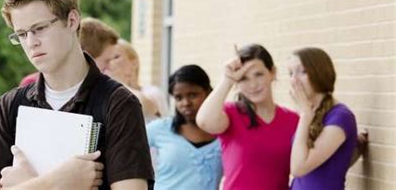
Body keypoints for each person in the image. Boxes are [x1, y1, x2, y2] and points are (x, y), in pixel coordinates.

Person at [0, 0, 153, 189]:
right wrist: (57, 182)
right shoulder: (10, 105)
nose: (31, 43)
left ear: (71, 20)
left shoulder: (119, 103)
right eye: (21, 34)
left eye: (39, 29)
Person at [196, 44, 299, 190]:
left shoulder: (293, 121)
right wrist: (228, 79)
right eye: (243, 78)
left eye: (258, 74)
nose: (253, 85)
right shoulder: (231, 114)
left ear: (272, 72)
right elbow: (204, 121)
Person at [288, 47, 358, 190]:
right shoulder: (310, 113)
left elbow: (298, 168)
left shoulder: (340, 117)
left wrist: (305, 115)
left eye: (302, 71)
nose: (294, 80)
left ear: (319, 73)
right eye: (290, 73)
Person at [146, 65, 222, 190]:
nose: (186, 103)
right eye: (178, 98)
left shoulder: (224, 132)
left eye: (193, 95)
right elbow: (125, 147)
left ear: (208, 92)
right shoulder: (160, 128)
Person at [18, 17, 120, 86]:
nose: (110, 67)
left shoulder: (107, 90)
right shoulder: (31, 85)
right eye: (106, 61)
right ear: (88, 57)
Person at [105, 39, 168, 122]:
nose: (110, 63)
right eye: (106, 59)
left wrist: (117, 82)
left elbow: (141, 105)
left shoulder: (152, 92)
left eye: (116, 57)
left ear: (134, 63)